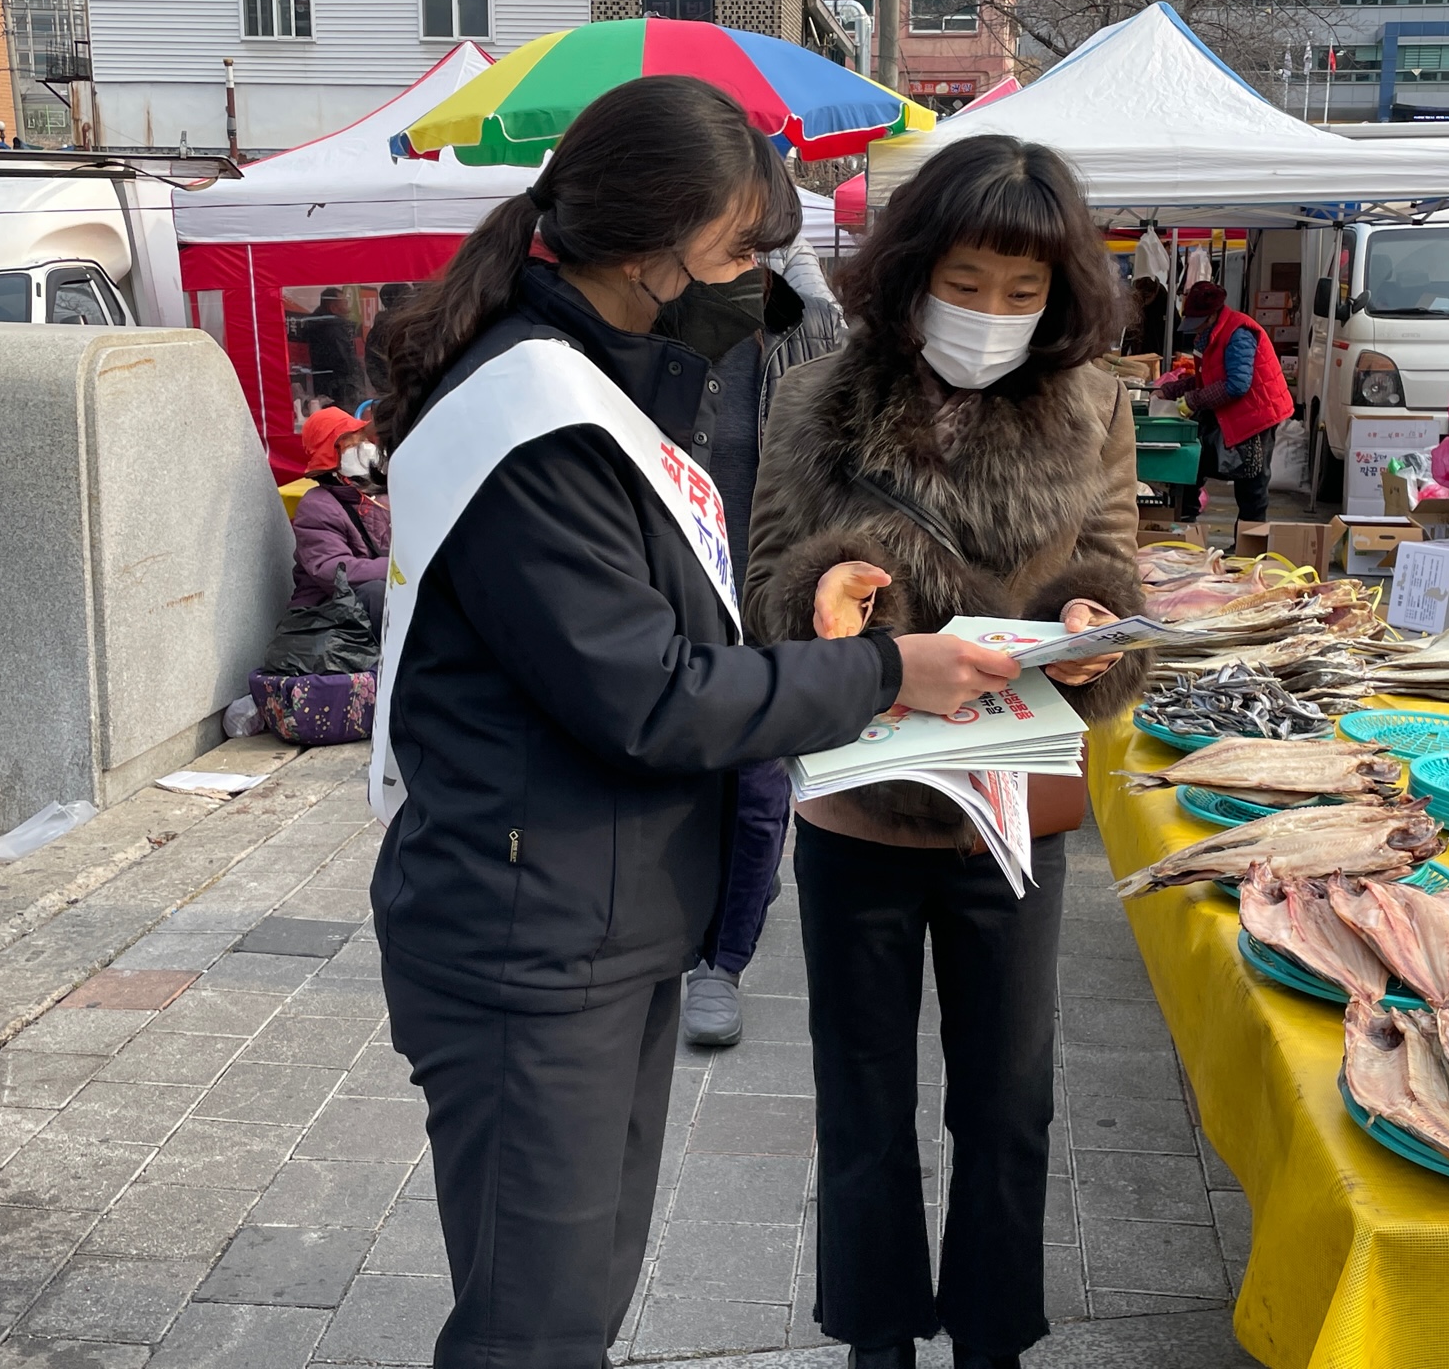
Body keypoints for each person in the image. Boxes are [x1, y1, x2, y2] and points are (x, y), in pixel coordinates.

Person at [365, 75, 1022, 1369]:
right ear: (646, 248)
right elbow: (650, 697)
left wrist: (807, 642)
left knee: (579, 1299)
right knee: (532, 1326)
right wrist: (884, 672)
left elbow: (656, 641)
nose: (757, 287)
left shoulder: (595, 395)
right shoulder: (535, 421)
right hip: (527, 935)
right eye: (737, 253)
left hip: (593, 916)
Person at [743, 135, 1151, 1369]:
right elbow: (765, 580)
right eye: (966, 283)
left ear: (1060, 293)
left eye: (1022, 292)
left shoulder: (1092, 403)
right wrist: (824, 596)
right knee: (861, 1099)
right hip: (862, 803)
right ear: (913, 269)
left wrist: (1090, 628)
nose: (990, 313)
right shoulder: (816, 397)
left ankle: (991, 1340)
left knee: (1010, 1105)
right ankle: (876, 1340)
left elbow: (1113, 565)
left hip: (1013, 812)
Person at [656, 236, 847, 1046]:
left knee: (759, 788)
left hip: (769, 598)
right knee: (681, 775)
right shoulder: (651, 327)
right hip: (672, 596)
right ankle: (693, 914)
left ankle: (721, 959)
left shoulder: (811, 333)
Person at [1155, 280, 1293, 526]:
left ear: (1213, 315)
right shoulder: (1209, 335)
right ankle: (1185, 525)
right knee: (1196, 462)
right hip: (1234, 408)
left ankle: (1249, 540)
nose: (1196, 329)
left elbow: (1237, 384)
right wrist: (1171, 389)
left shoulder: (1239, 333)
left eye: (1199, 322)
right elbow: (1206, 378)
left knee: (1252, 483)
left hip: (1258, 412)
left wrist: (1193, 400)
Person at [289, 405, 390, 624]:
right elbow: (334, 571)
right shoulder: (316, 506)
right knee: (375, 592)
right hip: (329, 613)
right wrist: (395, 568)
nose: (364, 447)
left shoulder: (382, 493)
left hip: (376, 599)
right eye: (351, 444)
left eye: (363, 439)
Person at [298, 287, 368, 410]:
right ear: (333, 308)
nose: (348, 306)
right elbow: (345, 362)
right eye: (344, 302)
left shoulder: (321, 326)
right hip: (341, 389)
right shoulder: (333, 330)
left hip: (328, 387)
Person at [364, 281, 413, 395]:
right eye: (408, 296)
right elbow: (373, 363)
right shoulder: (385, 328)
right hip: (397, 392)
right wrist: (390, 392)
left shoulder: (409, 324)